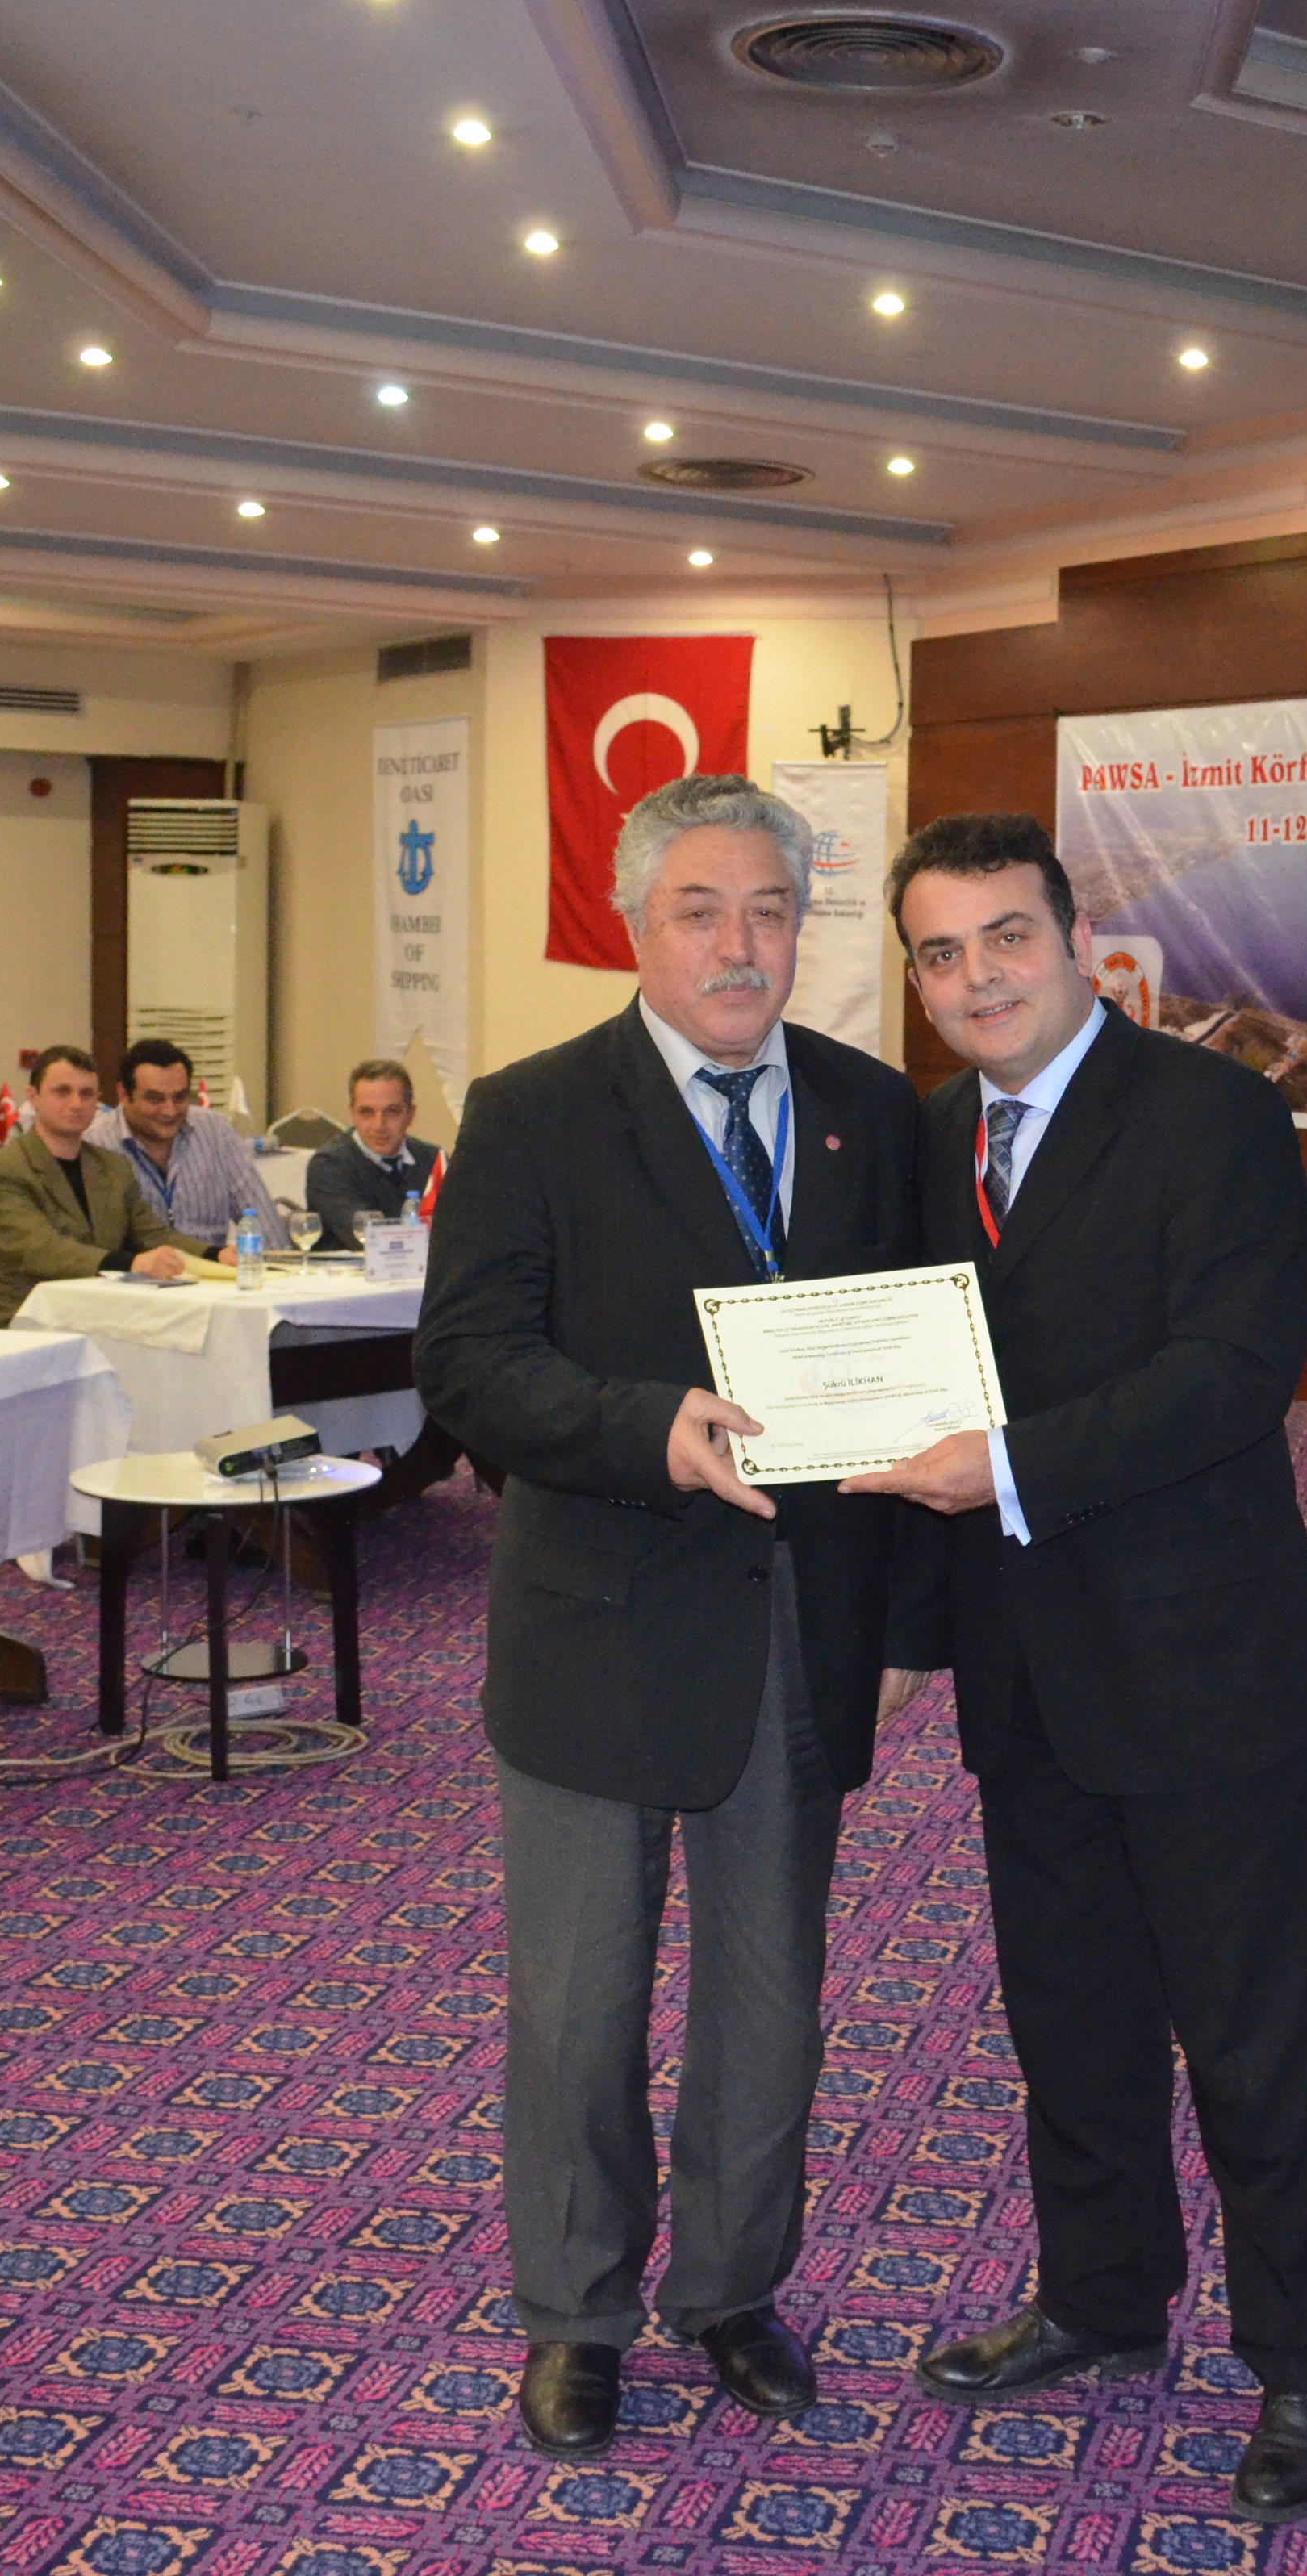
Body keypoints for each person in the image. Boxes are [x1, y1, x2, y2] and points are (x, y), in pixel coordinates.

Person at [843, 812, 1307, 2526]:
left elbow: (1231, 1369)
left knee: (1251, 2028)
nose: (977, 976)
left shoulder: (1213, 1113)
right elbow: (909, 1377)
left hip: (1195, 1660)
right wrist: (903, 1628)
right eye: (940, 953)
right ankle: (1098, 2296)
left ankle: (1306, 2355)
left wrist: (1001, 1466)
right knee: (1067, 2012)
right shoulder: (934, 1135)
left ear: (1077, 943)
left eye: (1006, 936)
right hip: (1021, 1665)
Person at [412, 775, 929, 2457]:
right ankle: (574, 2312)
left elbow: (922, 1355)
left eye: (769, 909)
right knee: (578, 2008)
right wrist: (647, 1427)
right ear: (634, 923)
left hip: (799, 1627)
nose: (738, 944)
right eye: (700, 909)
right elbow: (469, 1364)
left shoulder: (869, 1111)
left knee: (769, 2003)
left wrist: (919, 1588)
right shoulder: (532, 1111)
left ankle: (729, 2289)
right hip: (597, 1626)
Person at [0, 1044, 206, 1328]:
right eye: (62, 1092)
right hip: (28, 1322)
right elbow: (42, 1251)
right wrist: (132, 1263)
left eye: (87, 1094)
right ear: (33, 1097)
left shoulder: (113, 1167)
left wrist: (217, 1256)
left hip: (105, 1316)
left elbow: (152, 1234)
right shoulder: (1, 1171)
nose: (76, 1104)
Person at [87, 1039, 286, 1252]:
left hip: (212, 1268)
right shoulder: (95, 1143)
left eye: (180, 1097)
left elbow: (265, 1226)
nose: (170, 1111)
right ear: (124, 1095)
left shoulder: (215, 1131)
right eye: (155, 1099)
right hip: (134, 1271)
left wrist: (278, 1267)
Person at [306, 1058, 440, 1248]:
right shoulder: (329, 1165)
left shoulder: (433, 1160)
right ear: (352, 1114)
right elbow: (367, 1236)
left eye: (392, 1112)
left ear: (411, 1114)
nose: (379, 1126)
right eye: (367, 1112)